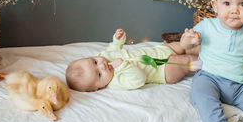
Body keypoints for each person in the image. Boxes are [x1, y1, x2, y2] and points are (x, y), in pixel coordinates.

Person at [66, 29, 200, 92]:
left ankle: (202, 49)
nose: (102, 65)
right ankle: (210, 62)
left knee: (184, 47)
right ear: (98, 87)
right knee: (185, 60)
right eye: (99, 74)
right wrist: (123, 66)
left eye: (95, 62)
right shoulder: (115, 82)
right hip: (163, 70)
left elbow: (114, 49)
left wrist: (117, 40)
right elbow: (139, 79)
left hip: (159, 51)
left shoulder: (104, 55)